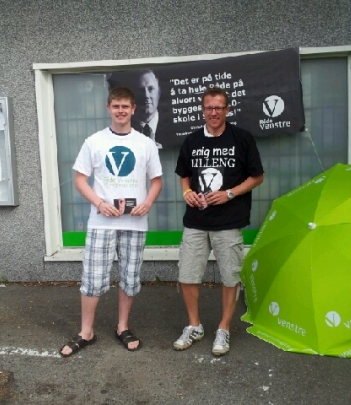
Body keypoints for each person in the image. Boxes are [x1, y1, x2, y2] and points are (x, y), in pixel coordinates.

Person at [59, 87, 163, 357]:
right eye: (116, 106)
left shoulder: (145, 143)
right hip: (101, 223)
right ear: (108, 108)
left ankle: (122, 326)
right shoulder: (94, 141)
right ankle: (86, 332)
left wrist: (148, 203)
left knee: (129, 277)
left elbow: (157, 181)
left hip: (134, 223)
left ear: (133, 109)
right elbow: (80, 179)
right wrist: (100, 203)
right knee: (92, 279)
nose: (120, 111)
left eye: (125, 106)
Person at [173, 87, 264, 356]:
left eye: (219, 108)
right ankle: (194, 326)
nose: (214, 112)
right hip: (196, 221)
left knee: (229, 277)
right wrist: (187, 193)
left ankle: (223, 328)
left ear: (227, 110)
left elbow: (257, 177)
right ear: (202, 110)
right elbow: (184, 174)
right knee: (187, 275)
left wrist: (229, 193)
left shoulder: (242, 139)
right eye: (209, 108)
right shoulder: (191, 141)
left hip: (229, 220)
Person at [132, 69, 163, 149]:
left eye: (150, 89)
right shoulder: (125, 129)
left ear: (159, 92)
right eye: (141, 90)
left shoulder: (173, 128)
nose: (146, 95)